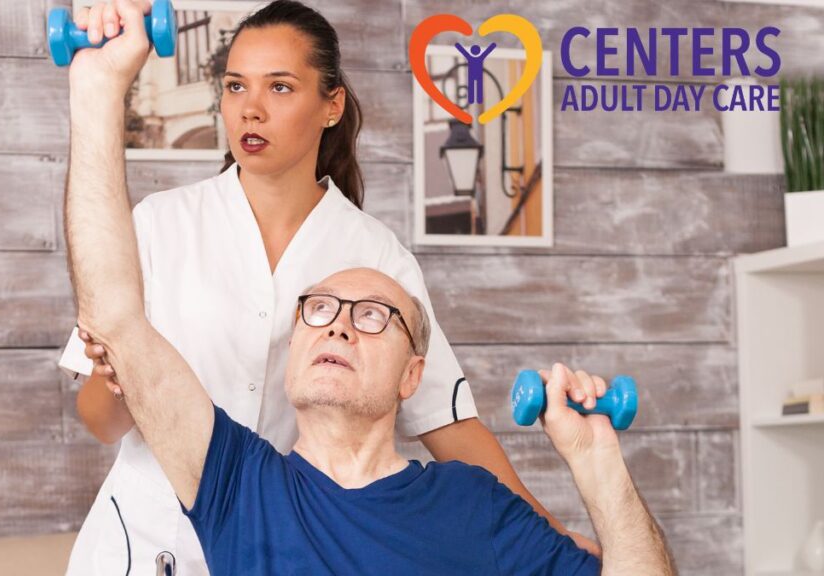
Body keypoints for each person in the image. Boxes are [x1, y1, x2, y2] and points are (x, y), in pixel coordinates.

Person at [61, 0, 597, 573]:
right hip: (139, 545)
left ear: (331, 105)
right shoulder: (159, 224)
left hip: (276, 548)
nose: (251, 110)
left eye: (282, 88)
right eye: (236, 86)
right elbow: (99, 420)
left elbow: (450, 425)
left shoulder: (375, 257)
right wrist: (120, 367)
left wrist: (555, 535)